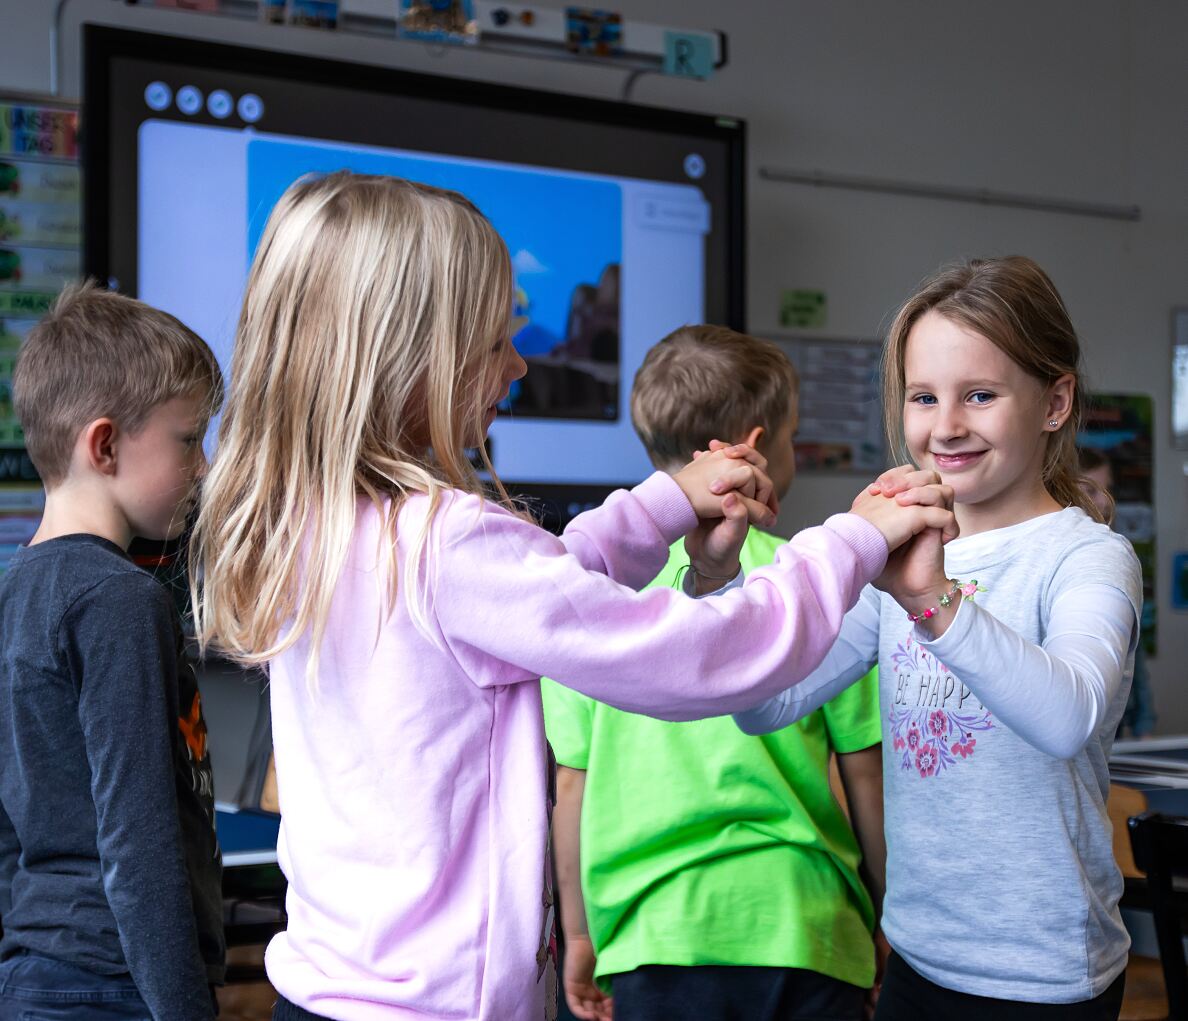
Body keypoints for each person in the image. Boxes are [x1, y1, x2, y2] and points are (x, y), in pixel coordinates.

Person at [189, 171, 955, 1021]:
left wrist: (668, 500)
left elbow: (540, 583)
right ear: (406, 356)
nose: (518, 363)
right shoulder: (448, 542)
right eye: (493, 344)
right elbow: (705, 655)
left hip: (325, 992)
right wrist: (856, 538)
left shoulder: (323, 526)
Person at [734, 256, 1142, 1021]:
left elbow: (1068, 716)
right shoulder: (895, 547)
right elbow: (766, 700)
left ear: (1055, 402)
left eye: (979, 395)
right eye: (924, 396)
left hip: (1043, 974)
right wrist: (718, 568)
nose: (944, 425)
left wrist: (930, 598)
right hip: (919, 954)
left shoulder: (1087, 556)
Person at [542, 324, 887, 1021]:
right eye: (790, 436)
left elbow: (571, 783)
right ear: (757, 446)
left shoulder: (588, 590)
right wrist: (891, 911)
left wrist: (578, 933)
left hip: (654, 932)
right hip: (805, 921)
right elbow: (864, 772)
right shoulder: (815, 582)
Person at [0, 283, 224, 1019]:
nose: (203, 466)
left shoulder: (13, 595)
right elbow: (141, 839)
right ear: (103, 445)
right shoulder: (119, 600)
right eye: (189, 438)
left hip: (37, 974)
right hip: (119, 982)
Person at [1078, 446, 1156, 737]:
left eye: (1107, 488)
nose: (1104, 502)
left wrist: (1144, 722)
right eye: (1089, 489)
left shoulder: (1115, 553)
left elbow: (1132, 658)